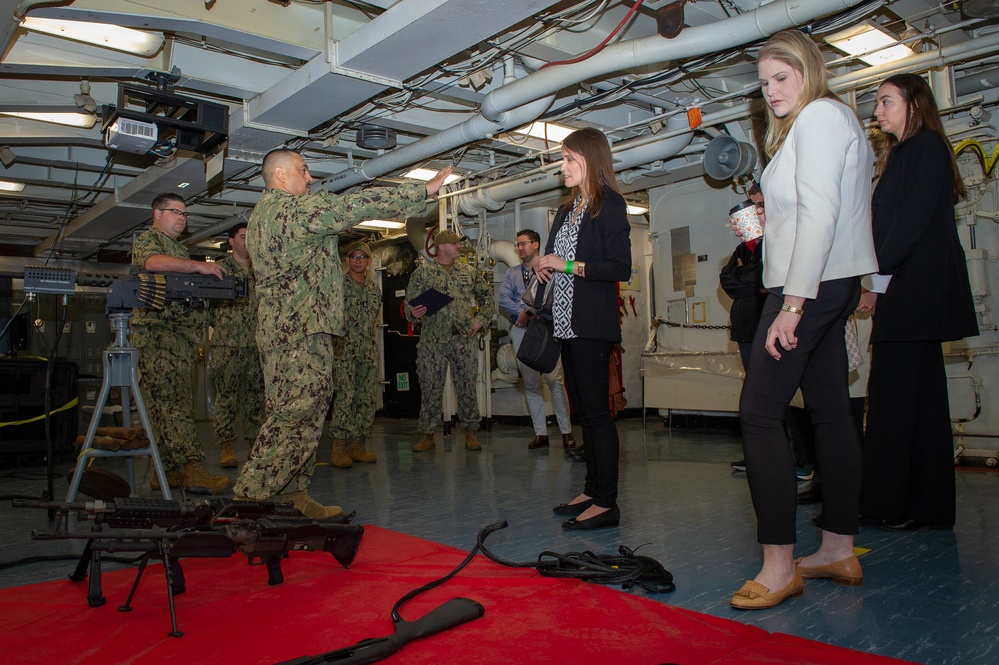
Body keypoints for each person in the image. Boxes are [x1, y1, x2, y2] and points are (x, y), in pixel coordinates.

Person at [730, 30, 878, 610]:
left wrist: (791, 305)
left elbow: (819, 214)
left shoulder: (818, 118)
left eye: (781, 78)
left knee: (760, 414)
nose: (771, 92)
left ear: (808, 71)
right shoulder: (834, 122)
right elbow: (827, 206)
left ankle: (778, 563)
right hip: (831, 281)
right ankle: (838, 547)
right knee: (829, 414)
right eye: (764, 83)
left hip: (807, 287)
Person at [232, 148, 451, 518]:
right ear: (281, 176)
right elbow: (353, 204)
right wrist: (418, 192)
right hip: (297, 333)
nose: (310, 178)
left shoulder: (264, 216)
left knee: (308, 415)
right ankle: (247, 500)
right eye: (303, 170)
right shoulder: (288, 210)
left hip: (297, 330)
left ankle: (294, 494)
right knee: (293, 416)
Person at [858, 73, 979, 531]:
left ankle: (890, 504)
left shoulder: (925, 148)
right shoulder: (905, 154)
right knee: (921, 404)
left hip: (916, 293)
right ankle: (922, 507)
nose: (877, 110)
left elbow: (905, 227)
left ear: (914, 105)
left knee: (894, 397)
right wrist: (876, 284)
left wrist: (870, 278)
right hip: (909, 291)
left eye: (886, 101)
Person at [536, 127, 631, 531]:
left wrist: (566, 265)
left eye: (569, 159)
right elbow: (559, 261)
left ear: (590, 160)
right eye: (563, 159)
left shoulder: (609, 205)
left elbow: (619, 267)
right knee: (583, 414)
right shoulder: (567, 209)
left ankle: (607, 503)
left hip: (591, 325)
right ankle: (592, 489)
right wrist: (544, 264)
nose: (563, 167)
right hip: (565, 325)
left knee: (597, 415)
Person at [131, 192, 232, 492]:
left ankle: (167, 470)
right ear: (157, 215)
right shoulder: (150, 241)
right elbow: (152, 263)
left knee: (164, 405)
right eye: (174, 211)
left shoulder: (177, 248)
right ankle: (192, 468)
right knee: (175, 405)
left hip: (176, 337)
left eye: (184, 214)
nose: (180, 217)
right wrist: (199, 267)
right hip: (159, 334)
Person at [406, 229, 494, 452]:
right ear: (442, 247)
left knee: (467, 386)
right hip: (432, 342)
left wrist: (480, 321)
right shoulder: (423, 273)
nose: (459, 247)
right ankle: (427, 434)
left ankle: (471, 432)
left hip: (463, 339)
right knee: (430, 387)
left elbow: (487, 297)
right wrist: (413, 313)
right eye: (455, 244)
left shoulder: (469, 272)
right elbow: (409, 305)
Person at [498, 229, 576, 451]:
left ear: (536, 245)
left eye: (523, 244)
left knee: (554, 381)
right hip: (522, 330)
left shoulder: (551, 268)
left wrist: (529, 311)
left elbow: (557, 297)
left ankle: (566, 433)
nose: (520, 248)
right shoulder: (512, 274)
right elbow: (504, 299)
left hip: (547, 330)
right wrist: (522, 314)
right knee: (531, 384)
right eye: (518, 245)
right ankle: (540, 433)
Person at [209, 222, 264, 469]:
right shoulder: (220, 270)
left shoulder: (260, 270)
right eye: (243, 236)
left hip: (255, 345)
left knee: (254, 399)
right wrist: (225, 328)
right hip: (227, 345)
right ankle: (226, 447)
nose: (247, 241)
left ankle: (255, 446)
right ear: (231, 241)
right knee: (226, 399)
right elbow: (209, 309)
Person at [330, 241, 382, 468]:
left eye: (363, 257)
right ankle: (338, 447)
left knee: (367, 399)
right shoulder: (337, 286)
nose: (358, 260)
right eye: (354, 257)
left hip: (368, 352)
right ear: (347, 261)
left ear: (369, 262)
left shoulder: (373, 290)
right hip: (344, 353)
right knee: (345, 398)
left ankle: (356, 444)